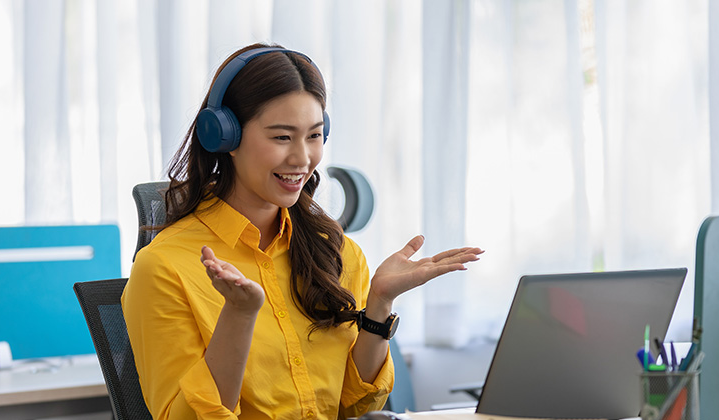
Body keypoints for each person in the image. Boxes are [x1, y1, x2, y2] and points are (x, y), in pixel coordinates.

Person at [122, 43, 483, 420]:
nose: (302, 159)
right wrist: (239, 316)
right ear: (224, 137)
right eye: (281, 137)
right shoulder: (164, 267)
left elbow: (354, 405)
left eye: (313, 136)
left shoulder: (335, 251)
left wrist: (378, 304)